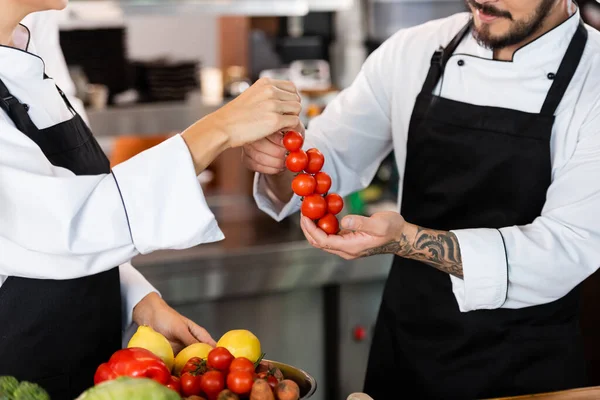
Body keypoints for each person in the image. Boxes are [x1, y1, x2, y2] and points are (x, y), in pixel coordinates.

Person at [245, 0, 600, 398]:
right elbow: (325, 159)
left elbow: (566, 247)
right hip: (407, 351)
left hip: (526, 369)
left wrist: (408, 240)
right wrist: (277, 161)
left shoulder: (595, 78)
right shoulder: (413, 50)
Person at [0, 0, 302, 398]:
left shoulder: (24, 59)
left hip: (86, 366)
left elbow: (70, 218)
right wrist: (220, 128)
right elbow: (66, 222)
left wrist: (139, 298)